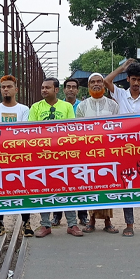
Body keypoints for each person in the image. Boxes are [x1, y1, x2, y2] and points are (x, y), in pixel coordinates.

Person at [104, 59, 140, 237]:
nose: (136, 83)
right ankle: (129, 224)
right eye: (133, 79)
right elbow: (107, 81)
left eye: (139, 80)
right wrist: (122, 67)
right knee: (128, 184)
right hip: (124, 150)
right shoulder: (120, 95)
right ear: (128, 79)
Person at [28, 78, 81, 237]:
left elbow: (71, 130)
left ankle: (72, 224)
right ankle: (45, 224)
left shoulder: (66, 107)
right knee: (43, 189)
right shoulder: (36, 107)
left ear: (56, 90)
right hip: (43, 156)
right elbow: (31, 130)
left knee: (68, 189)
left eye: (47, 88)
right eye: (43, 87)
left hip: (64, 156)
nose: (44, 90)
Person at [0, 75, 33, 237]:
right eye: (3, 87)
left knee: (22, 189)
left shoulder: (24, 109)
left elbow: (24, 132)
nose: (5, 89)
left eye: (9, 86)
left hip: (19, 157)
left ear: (16, 89)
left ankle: (26, 223)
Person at [76, 73, 120, 234]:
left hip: (108, 153)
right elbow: (78, 130)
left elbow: (118, 128)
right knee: (90, 187)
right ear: (88, 87)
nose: (96, 84)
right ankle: (91, 220)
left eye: (99, 82)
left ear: (104, 84)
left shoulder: (113, 105)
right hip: (88, 154)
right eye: (92, 82)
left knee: (107, 186)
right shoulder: (82, 106)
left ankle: (108, 221)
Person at [54, 78, 88, 226]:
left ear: (78, 90)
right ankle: (57, 216)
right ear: (63, 89)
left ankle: (83, 215)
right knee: (58, 183)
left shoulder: (83, 106)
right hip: (59, 150)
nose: (71, 89)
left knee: (79, 183)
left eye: (74, 87)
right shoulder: (57, 106)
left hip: (78, 150)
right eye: (68, 87)